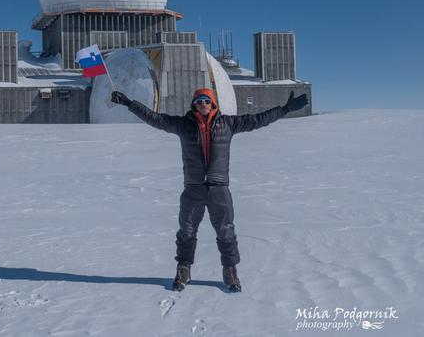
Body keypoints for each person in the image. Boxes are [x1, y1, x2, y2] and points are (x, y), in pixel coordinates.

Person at [111, 88, 308, 292]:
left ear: (213, 103)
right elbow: (155, 118)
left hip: (219, 188)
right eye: (199, 101)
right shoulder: (183, 125)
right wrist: (128, 103)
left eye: (206, 101)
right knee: (186, 231)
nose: (203, 104)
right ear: (194, 104)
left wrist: (284, 109)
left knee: (226, 231)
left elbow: (258, 119)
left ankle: (230, 271)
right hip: (193, 188)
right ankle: (183, 269)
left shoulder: (228, 124)